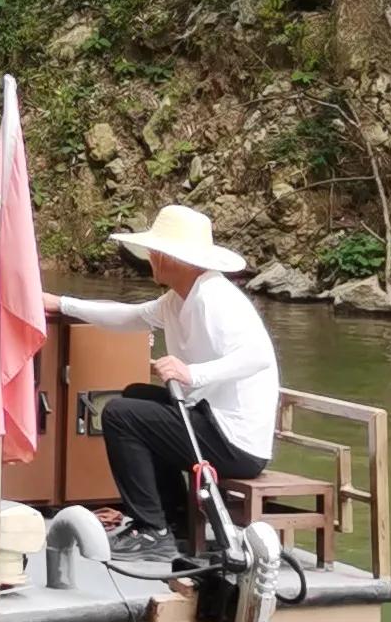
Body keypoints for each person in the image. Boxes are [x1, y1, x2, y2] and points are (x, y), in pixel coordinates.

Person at [63, 203, 280, 575]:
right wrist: (63, 303)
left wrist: (191, 373)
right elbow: (128, 317)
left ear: (171, 258)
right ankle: (176, 517)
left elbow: (258, 356)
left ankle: (153, 530)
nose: (150, 259)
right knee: (135, 397)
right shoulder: (178, 298)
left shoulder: (216, 298)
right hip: (211, 421)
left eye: (155, 252)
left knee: (119, 414)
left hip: (235, 441)